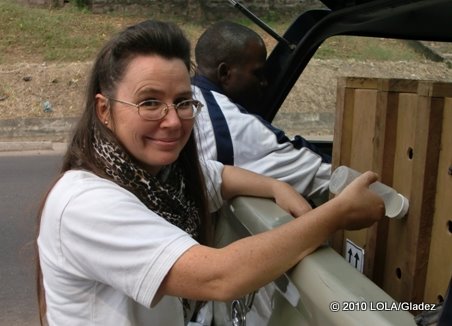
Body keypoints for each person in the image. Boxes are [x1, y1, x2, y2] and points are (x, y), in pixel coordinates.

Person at [36, 19, 384, 325]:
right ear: (104, 110)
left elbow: (218, 177)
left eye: (183, 102)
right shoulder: (87, 203)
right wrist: (335, 214)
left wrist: (277, 187)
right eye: (150, 102)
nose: (173, 121)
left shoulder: (160, 177)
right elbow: (220, 277)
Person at [193, 21, 331, 205]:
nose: (265, 82)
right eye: (257, 73)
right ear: (225, 73)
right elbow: (324, 172)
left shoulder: (185, 95)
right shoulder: (232, 124)